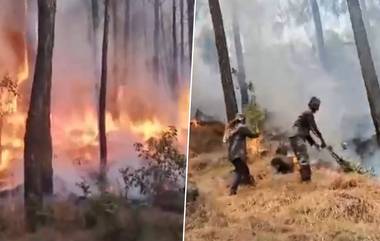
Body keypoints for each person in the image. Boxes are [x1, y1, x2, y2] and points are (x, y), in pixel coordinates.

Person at [289, 97, 326, 182]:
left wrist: (315, 145)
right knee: (303, 157)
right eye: (316, 106)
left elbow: (307, 134)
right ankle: (306, 180)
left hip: (295, 136)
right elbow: (314, 129)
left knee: (302, 157)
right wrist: (322, 140)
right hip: (297, 136)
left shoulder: (306, 115)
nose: (317, 108)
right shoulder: (308, 113)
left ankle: (305, 178)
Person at [223, 113, 260, 195]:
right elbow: (252, 135)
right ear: (242, 120)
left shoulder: (232, 128)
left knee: (245, 169)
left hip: (231, 154)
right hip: (237, 154)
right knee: (240, 171)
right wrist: (259, 132)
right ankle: (233, 190)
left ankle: (251, 184)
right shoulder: (241, 128)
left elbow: (225, 141)